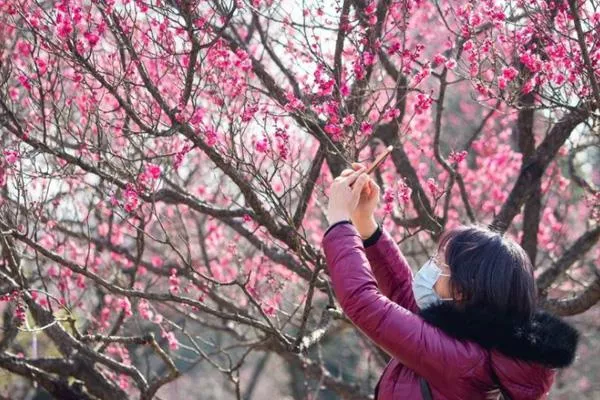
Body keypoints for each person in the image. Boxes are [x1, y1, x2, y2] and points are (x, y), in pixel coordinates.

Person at [322, 164, 579, 400]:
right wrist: (365, 224)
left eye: (440, 263)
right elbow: (403, 295)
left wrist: (340, 223)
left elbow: (363, 302)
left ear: (464, 288)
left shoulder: (463, 360)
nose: (431, 267)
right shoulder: (471, 344)